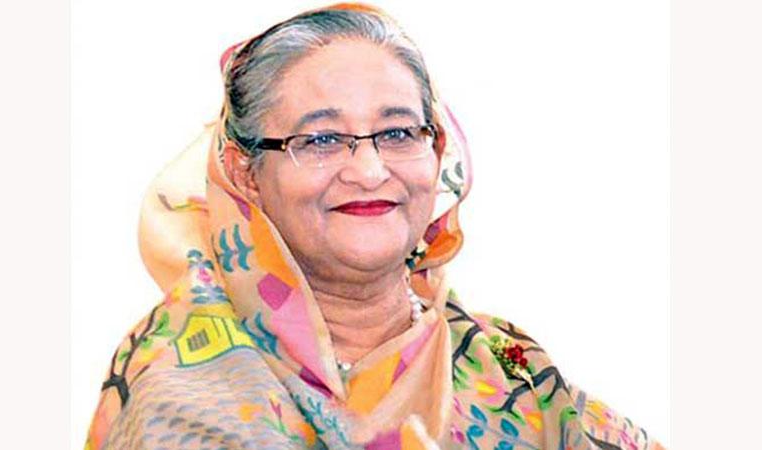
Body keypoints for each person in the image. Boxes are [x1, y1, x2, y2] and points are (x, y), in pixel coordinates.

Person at [84, 3, 665, 449]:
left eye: (398, 133)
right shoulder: (184, 382)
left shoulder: (507, 371)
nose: (368, 170)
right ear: (245, 171)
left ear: (437, 152)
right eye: (321, 139)